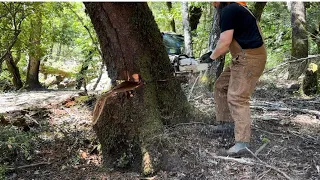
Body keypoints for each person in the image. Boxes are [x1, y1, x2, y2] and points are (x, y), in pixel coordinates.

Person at [209, 2, 267, 156]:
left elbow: (225, 42)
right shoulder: (235, 9)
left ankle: (242, 144)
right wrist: (212, 53)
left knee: (238, 97)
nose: (213, 4)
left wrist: (211, 57)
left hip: (249, 58)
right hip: (241, 57)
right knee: (221, 86)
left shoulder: (230, 10)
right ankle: (226, 123)